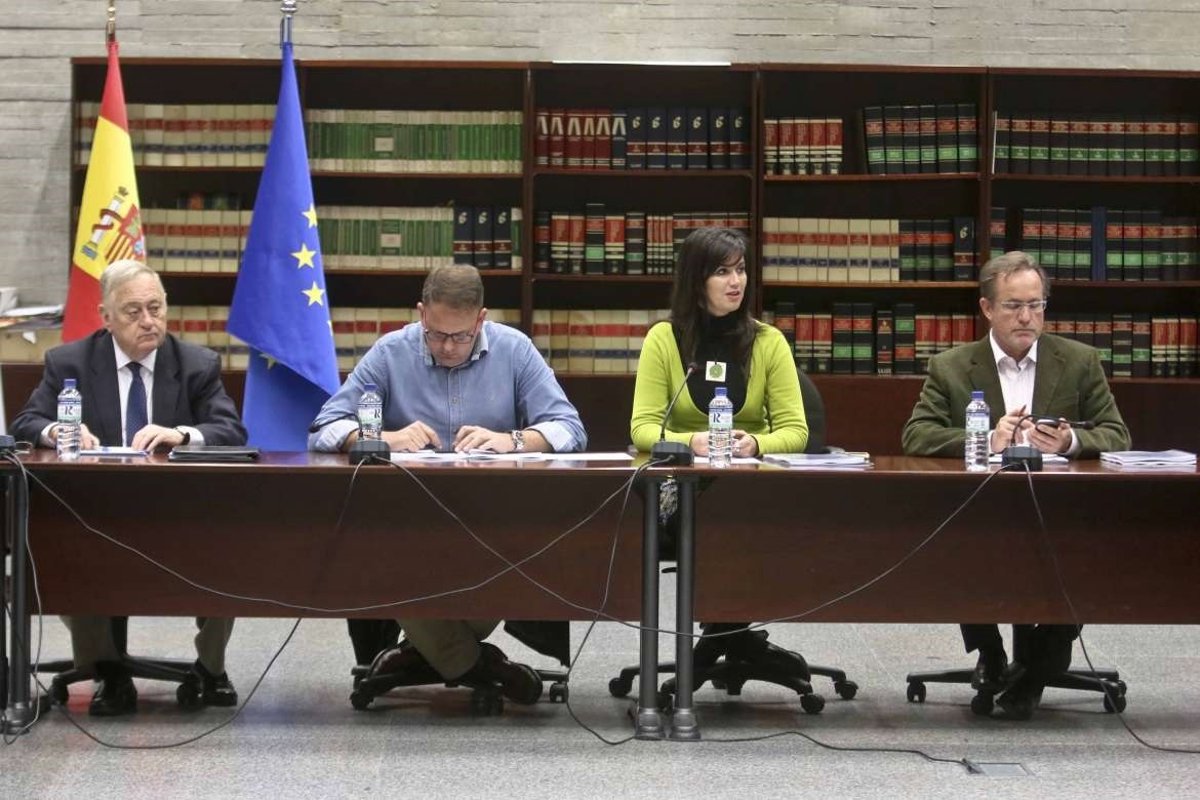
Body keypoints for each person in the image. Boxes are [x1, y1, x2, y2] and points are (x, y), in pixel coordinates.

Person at [308, 263, 587, 706]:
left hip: (493, 520)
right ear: (421, 313)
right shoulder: (390, 352)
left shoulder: (514, 350)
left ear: (482, 319)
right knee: (379, 553)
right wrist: (380, 438)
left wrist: (513, 440)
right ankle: (482, 666)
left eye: (461, 336)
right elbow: (324, 428)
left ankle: (424, 655)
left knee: (520, 551)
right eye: (436, 334)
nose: (448, 347)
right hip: (403, 520)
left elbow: (570, 429)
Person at [11, 259, 247, 716]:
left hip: (179, 517)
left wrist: (182, 434)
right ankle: (107, 671)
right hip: (93, 516)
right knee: (62, 550)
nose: (148, 321)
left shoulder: (196, 364)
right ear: (106, 317)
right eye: (133, 311)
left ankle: (210, 668)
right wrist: (56, 432)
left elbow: (231, 431)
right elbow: (26, 422)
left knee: (228, 549)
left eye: (155, 308)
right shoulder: (70, 362)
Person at [901, 250, 1131, 719]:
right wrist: (987, 438)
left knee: (1083, 554)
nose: (1026, 317)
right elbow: (916, 434)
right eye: (1013, 306)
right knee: (963, 541)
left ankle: (1039, 665)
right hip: (981, 509)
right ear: (987, 308)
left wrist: (1070, 441)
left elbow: (1117, 433)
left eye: (1036, 304)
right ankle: (989, 651)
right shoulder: (952, 366)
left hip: (1062, 512)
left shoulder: (1079, 361)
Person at [630, 226, 809, 681]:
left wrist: (757, 444)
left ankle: (724, 634)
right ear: (696, 280)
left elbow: (796, 431)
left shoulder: (767, 341)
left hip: (752, 486)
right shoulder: (664, 339)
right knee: (711, 515)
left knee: (743, 512)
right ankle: (729, 634)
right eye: (722, 272)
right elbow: (642, 428)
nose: (736, 281)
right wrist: (690, 442)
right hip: (686, 486)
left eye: (741, 270)